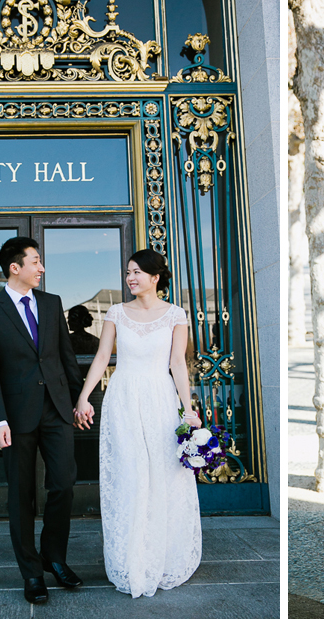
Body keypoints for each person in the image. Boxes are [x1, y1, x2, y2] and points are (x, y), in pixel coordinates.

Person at [74, 249, 203, 597]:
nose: (131, 278)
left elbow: (178, 362)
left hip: (161, 398)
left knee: (163, 475)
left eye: (137, 272)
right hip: (124, 398)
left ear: (155, 277)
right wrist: (85, 396)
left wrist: (186, 409)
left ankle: (162, 555)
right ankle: (132, 559)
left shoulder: (177, 314)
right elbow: (103, 357)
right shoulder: (116, 312)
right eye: (128, 272)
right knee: (130, 476)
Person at [0, 237, 87, 605]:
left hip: (56, 410)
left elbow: (66, 359)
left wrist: (79, 399)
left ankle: (53, 556)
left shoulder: (52, 304)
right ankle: (32, 572)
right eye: (36, 261)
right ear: (15, 267)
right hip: (16, 417)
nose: (41, 268)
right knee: (21, 495)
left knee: (64, 483)